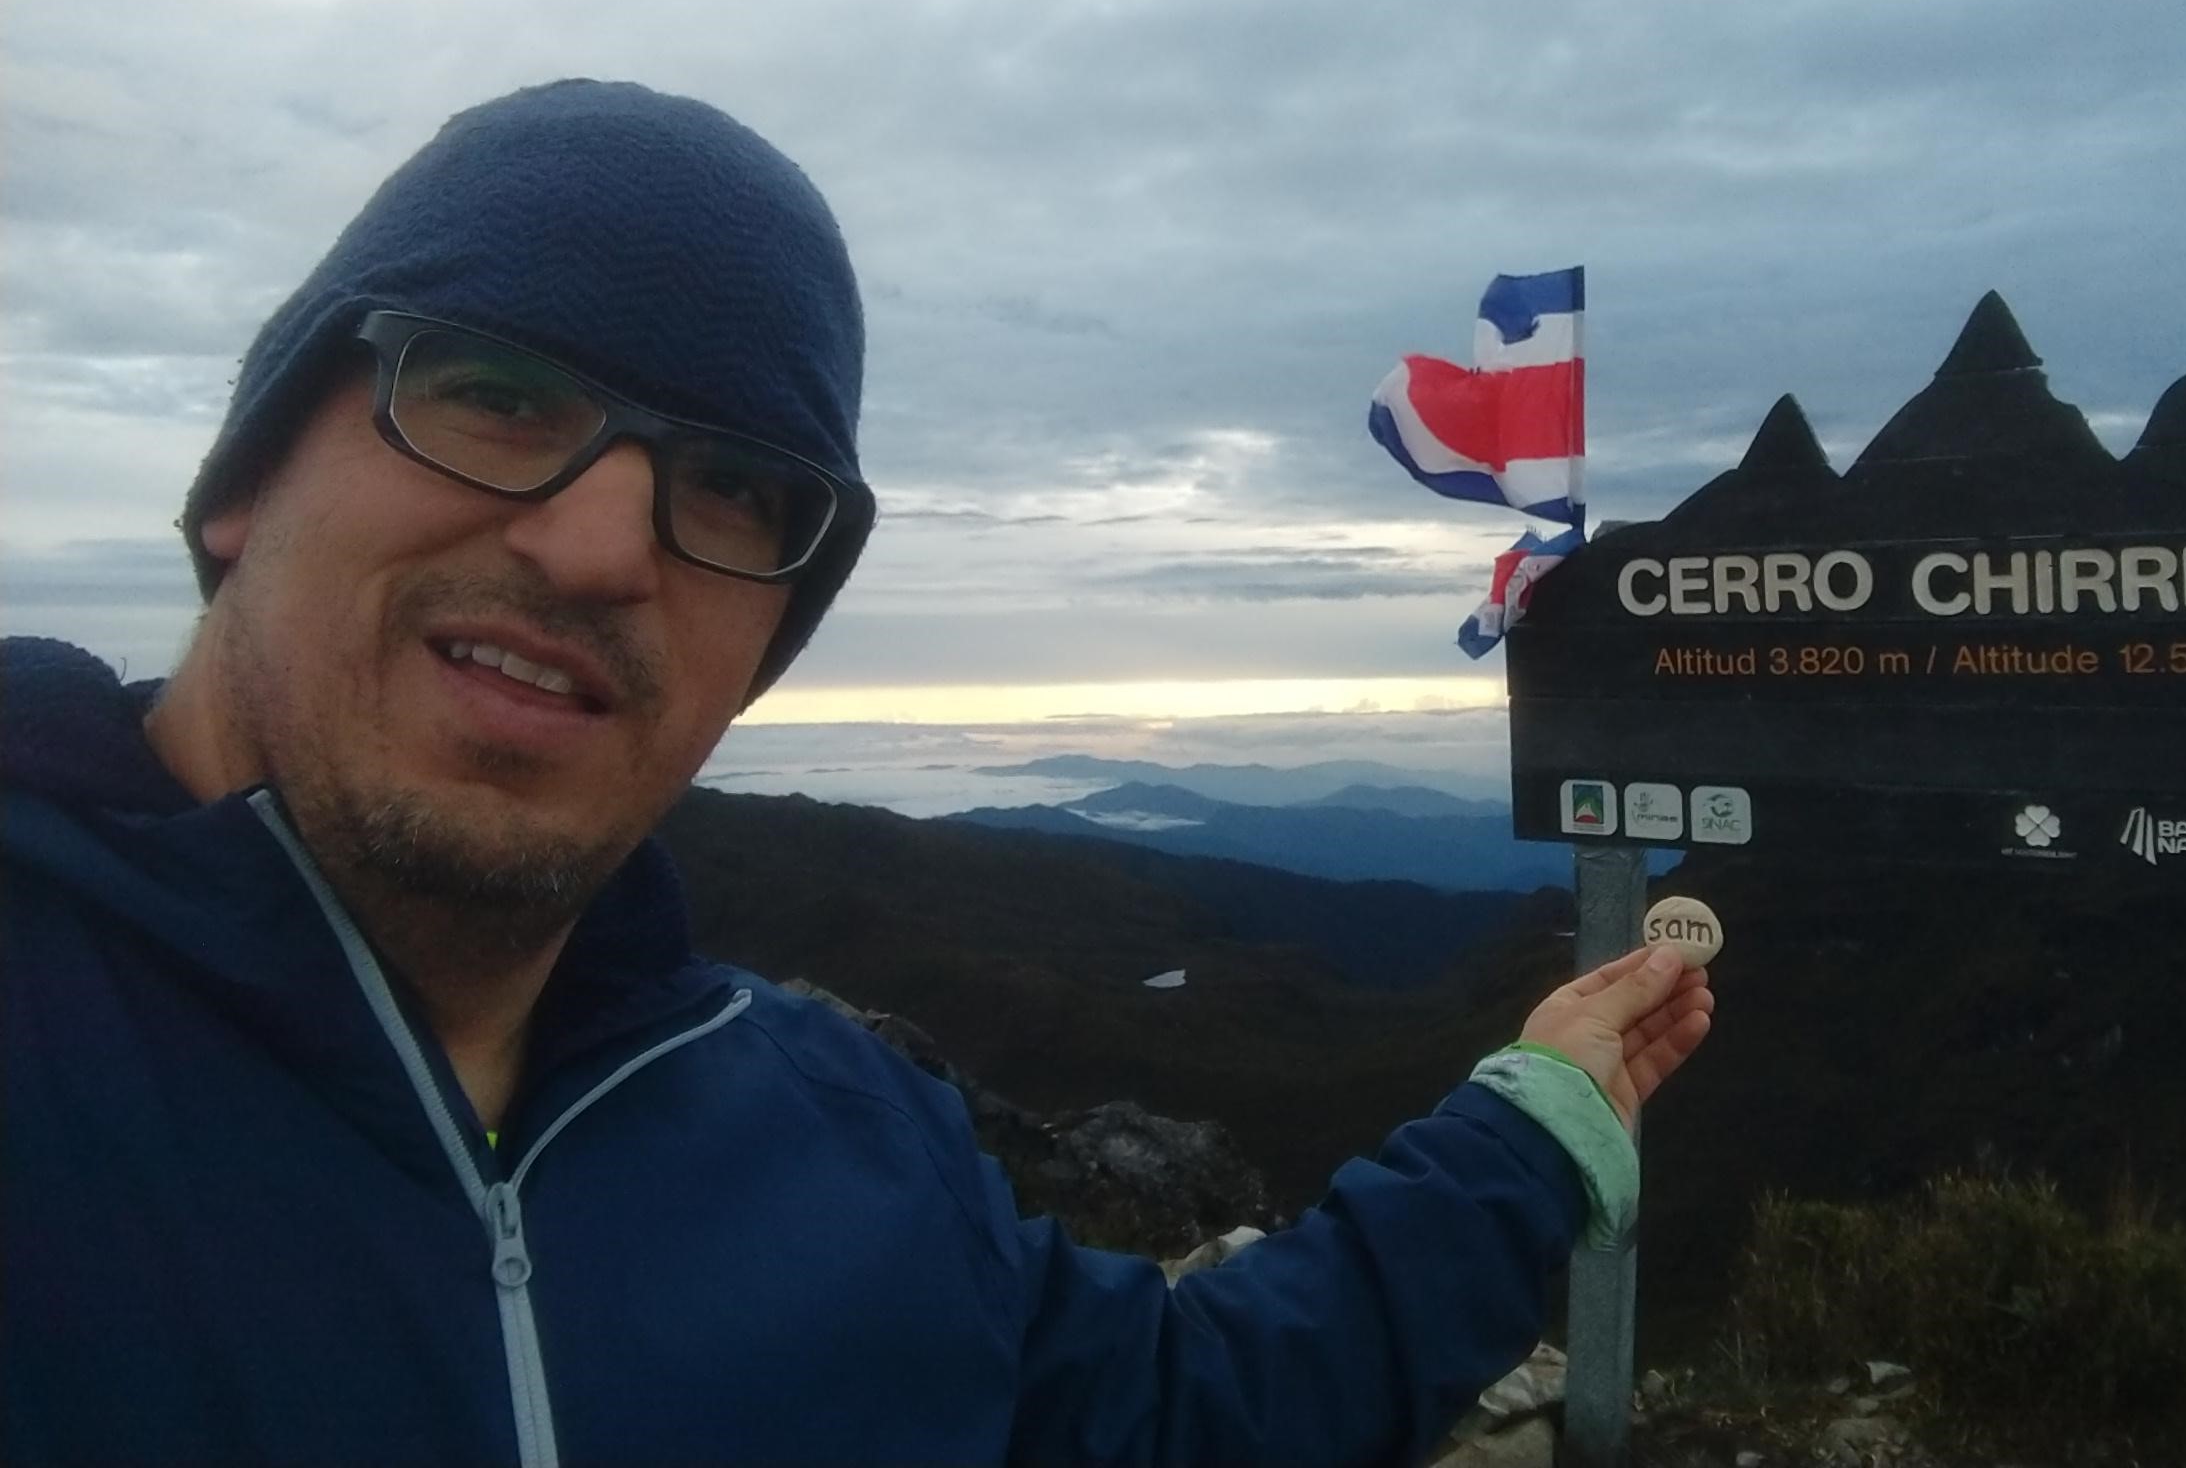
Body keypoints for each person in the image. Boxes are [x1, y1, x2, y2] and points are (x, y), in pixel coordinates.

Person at [2, 79, 1711, 1466]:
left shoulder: (844, 1147)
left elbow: (1197, 1417)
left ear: (760, 657)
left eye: (734, 489)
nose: (602, 546)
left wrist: (1533, 1126)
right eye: (495, 395)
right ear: (239, 485)